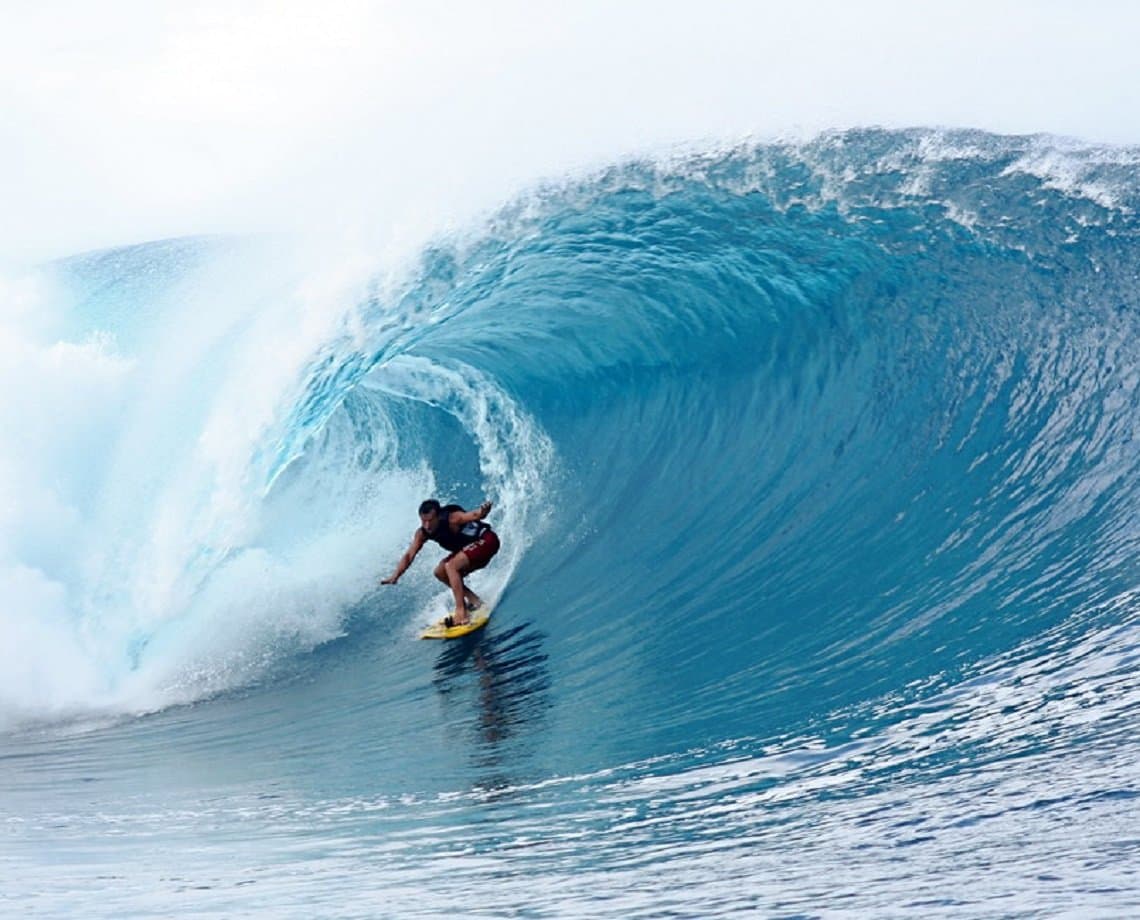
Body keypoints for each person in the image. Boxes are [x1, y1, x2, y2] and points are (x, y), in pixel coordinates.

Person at [382, 498, 500, 626]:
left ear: (438, 516)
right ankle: (476, 602)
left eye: (430, 521)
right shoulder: (422, 533)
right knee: (439, 572)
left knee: (451, 566)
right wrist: (396, 575)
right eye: (423, 521)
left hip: (487, 541)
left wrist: (483, 511)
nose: (427, 525)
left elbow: (475, 515)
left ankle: (461, 612)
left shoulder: (452, 518)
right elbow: (409, 555)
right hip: (470, 550)